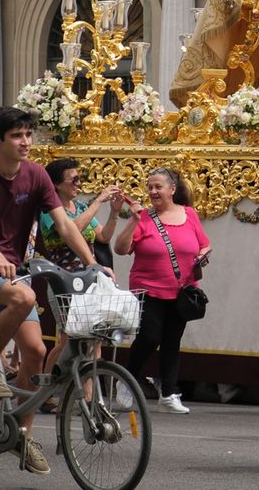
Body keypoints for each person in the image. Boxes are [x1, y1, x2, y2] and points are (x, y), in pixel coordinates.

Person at [0, 106, 100, 476]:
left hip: (12, 271)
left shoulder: (36, 175)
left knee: (35, 352)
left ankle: (23, 434)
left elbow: (64, 224)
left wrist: (92, 262)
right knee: (24, 296)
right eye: (17, 135)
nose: (26, 142)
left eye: (28, 134)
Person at [113, 168, 209, 415]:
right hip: (148, 289)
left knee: (171, 342)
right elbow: (121, 249)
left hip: (182, 289)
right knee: (150, 337)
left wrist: (202, 257)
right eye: (150, 187)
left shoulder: (189, 214)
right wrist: (133, 220)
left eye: (158, 187)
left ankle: (168, 393)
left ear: (172, 189)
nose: (153, 192)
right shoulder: (143, 217)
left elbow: (204, 245)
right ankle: (126, 380)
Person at [39, 158, 119, 271]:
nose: (79, 184)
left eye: (79, 179)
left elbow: (103, 236)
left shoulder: (80, 207)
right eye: (74, 180)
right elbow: (72, 231)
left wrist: (114, 211)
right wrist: (98, 200)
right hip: (63, 275)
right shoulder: (48, 210)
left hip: (89, 272)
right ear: (57, 184)